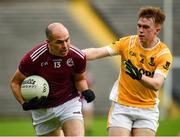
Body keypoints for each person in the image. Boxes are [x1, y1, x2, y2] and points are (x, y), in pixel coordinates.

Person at [83, 6, 173, 136]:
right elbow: (98, 52)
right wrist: (74, 54)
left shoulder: (163, 54)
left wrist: (138, 76)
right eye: (139, 26)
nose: (141, 30)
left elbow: (157, 84)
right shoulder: (127, 42)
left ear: (157, 30)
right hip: (122, 106)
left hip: (147, 110)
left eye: (146, 27)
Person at [10, 22, 95, 136]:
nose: (65, 46)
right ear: (48, 43)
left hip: (68, 103)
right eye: (59, 42)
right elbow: (15, 83)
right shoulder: (33, 58)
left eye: (67, 40)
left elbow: (79, 79)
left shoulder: (77, 56)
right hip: (42, 110)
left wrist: (85, 90)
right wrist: (24, 103)